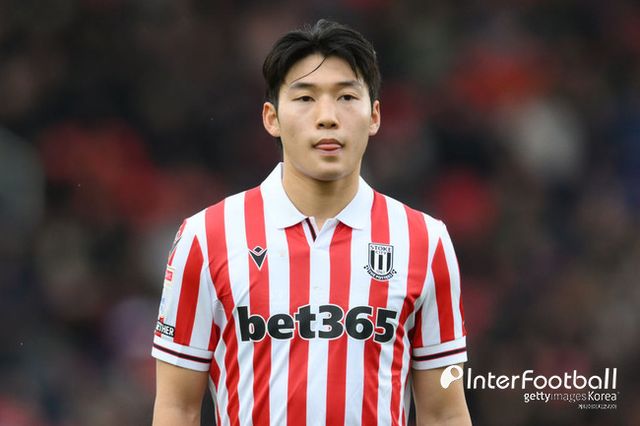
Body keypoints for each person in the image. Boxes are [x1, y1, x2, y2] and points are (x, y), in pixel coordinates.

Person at [151, 19, 471, 426]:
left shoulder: (425, 242)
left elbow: (444, 413)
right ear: (271, 118)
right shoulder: (206, 238)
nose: (327, 117)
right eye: (305, 98)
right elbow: (176, 408)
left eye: (346, 97)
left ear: (374, 115)